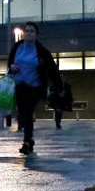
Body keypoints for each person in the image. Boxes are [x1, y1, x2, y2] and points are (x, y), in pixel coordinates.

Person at [8, 21, 63, 155]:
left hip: (35, 86)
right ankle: (30, 140)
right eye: (27, 31)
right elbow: (10, 61)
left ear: (36, 34)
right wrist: (11, 67)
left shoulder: (41, 51)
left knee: (27, 112)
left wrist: (59, 87)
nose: (29, 33)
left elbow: (52, 69)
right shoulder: (17, 47)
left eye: (32, 31)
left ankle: (27, 142)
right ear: (24, 33)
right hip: (20, 85)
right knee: (22, 113)